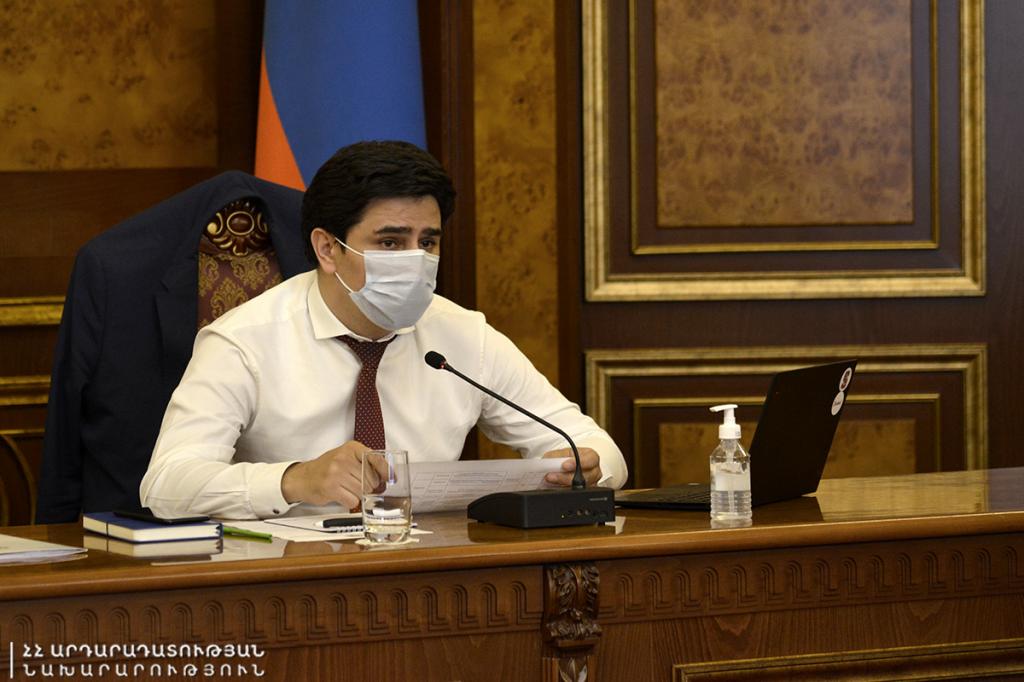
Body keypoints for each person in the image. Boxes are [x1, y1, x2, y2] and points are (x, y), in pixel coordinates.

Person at [140, 141, 627, 519]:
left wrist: (586, 466)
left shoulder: (462, 336)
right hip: (289, 578)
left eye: (427, 242)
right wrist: (292, 480)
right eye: (390, 242)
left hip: (430, 571)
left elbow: (596, 447)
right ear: (328, 249)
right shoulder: (244, 342)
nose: (415, 260)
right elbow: (166, 484)